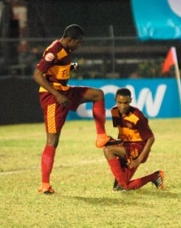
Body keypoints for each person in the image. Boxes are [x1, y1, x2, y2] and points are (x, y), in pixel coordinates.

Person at [33, 24, 121, 195]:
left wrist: (71, 67)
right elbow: (37, 75)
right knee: (52, 141)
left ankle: (101, 136)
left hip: (64, 91)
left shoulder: (65, 50)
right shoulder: (54, 51)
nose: (79, 46)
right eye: (78, 42)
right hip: (52, 97)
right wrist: (57, 95)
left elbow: (56, 68)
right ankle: (45, 185)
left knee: (98, 94)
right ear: (69, 39)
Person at [103, 88, 165, 191]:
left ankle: (152, 177)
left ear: (131, 100)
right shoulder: (114, 112)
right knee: (119, 188)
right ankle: (155, 176)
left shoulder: (137, 116)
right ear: (115, 100)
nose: (122, 106)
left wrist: (138, 160)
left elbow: (151, 138)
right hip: (126, 147)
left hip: (138, 148)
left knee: (108, 150)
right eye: (120, 102)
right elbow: (122, 132)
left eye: (126, 103)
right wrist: (115, 141)